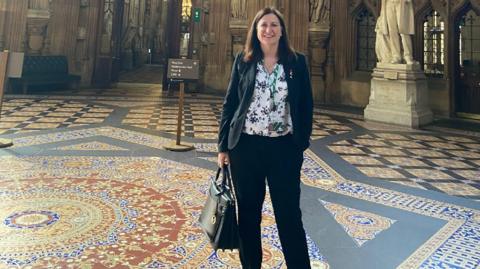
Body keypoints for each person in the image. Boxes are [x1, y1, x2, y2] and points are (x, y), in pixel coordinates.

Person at [217, 7, 313, 269]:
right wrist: (223, 146)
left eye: (273, 25)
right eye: (263, 25)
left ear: (282, 30)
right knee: (247, 215)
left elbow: (306, 105)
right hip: (246, 148)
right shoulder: (244, 60)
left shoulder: (296, 62)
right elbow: (230, 104)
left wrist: (300, 144)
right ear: (256, 31)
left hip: (284, 149)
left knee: (289, 215)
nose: (268, 30)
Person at [376, 0, 415, 64]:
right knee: (392, 32)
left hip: (401, 3)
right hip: (389, 3)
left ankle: (408, 56)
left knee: (404, 31)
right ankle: (396, 56)